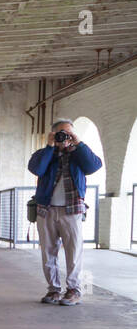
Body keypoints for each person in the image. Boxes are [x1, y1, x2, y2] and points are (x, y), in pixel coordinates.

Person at [29, 119, 103, 305]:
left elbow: (94, 166)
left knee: (74, 252)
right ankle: (53, 290)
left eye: (69, 133)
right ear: (54, 134)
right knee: (48, 252)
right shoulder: (45, 153)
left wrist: (79, 144)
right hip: (46, 210)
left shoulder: (78, 154)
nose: (65, 137)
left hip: (72, 210)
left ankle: (73, 290)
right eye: (62, 133)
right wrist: (49, 146)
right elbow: (36, 169)